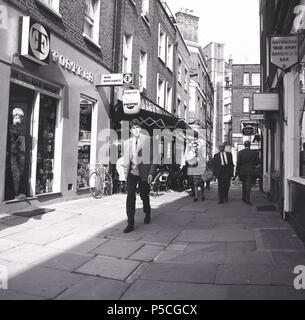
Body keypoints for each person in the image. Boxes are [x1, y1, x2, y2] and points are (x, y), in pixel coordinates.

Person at [122, 119, 157, 233]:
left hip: (144, 173)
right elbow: (125, 159)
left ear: (140, 128)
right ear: (131, 130)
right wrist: (124, 172)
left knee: (144, 195)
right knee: (130, 196)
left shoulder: (148, 140)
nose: (136, 130)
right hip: (132, 173)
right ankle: (130, 223)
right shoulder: (127, 143)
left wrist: (151, 173)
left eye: (137, 127)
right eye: (133, 128)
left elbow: (154, 158)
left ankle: (147, 212)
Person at [8, 108, 26, 200]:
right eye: (21, 117)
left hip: (15, 153)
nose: (22, 119)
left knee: (17, 173)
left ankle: (16, 193)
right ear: (16, 116)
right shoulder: (11, 127)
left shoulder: (15, 127)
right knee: (16, 174)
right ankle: (16, 194)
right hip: (12, 153)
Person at [235, 140, 260, 206]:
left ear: (244, 145)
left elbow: (238, 163)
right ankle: (247, 200)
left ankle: (243, 197)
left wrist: (237, 171)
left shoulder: (240, 152)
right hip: (250, 171)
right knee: (248, 185)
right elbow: (258, 162)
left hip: (242, 171)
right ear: (250, 145)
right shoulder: (253, 153)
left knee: (244, 184)